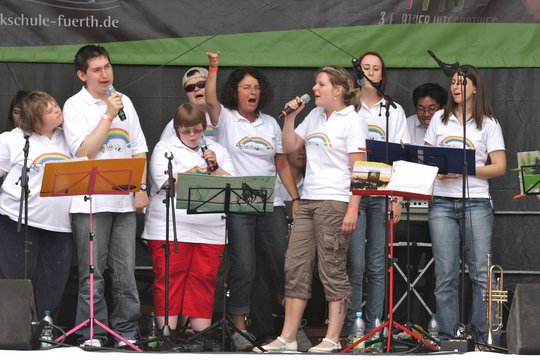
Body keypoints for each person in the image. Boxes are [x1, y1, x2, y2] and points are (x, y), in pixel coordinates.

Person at [260, 65, 368, 353]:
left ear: (338, 90)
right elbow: (290, 145)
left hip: (335, 200)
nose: (314, 89)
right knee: (294, 265)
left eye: (320, 84)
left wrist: (353, 209)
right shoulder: (316, 115)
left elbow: (359, 170)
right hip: (308, 199)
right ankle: (288, 337)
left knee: (331, 268)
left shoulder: (352, 121)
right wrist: (291, 119)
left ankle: (333, 337)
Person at [205, 51, 300, 351]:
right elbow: (209, 101)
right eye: (247, 87)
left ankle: (281, 329)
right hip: (237, 203)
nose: (253, 92)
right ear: (235, 91)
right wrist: (213, 67)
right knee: (244, 266)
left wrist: (293, 198)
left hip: (269, 202)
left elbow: (282, 164)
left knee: (279, 262)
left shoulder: (271, 123)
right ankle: (240, 327)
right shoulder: (227, 119)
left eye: (257, 88)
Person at [62, 44, 149, 347]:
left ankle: (126, 330)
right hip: (90, 200)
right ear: (82, 75)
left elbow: (138, 148)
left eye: (108, 67)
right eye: (97, 69)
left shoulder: (123, 100)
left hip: (124, 200)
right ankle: (93, 331)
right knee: (92, 272)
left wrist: (141, 189)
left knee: (125, 271)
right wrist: (108, 115)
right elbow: (84, 150)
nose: (104, 74)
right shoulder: (75, 105)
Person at [424, 65, 506, 340]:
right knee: (445, 274)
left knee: (481, 273)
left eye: (461, 83)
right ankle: (448, 337)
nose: (455, 87)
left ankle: (484, 339)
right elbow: (426, 157)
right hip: (442, 202)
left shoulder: (489, 123)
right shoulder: (439, 119)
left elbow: (500, 167)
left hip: (477, 202)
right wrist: (439, 168)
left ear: (474, 87)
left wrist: (465, 169)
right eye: (453, 83)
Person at [142, 103, 233, 333]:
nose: (193, 136)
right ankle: (167, 336)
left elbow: (233, 184)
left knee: (204, 281)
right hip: (171, 226)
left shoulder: (217, 151)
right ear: (176, 129)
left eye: (197, 131)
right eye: (186, 131)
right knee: (170, 279)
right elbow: (165, 181)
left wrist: (215, 168)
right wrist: (196, 175)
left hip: (210, 229)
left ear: (204, 128)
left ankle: (200, 337)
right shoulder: (165, 148)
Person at [345, 51, 411, 338]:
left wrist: (397, 199)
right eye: (366, 67)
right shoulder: (348, 108)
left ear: (383, 75)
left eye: (376, 69)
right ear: (358, 73)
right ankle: (350, 328)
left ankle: (374, 326)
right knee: (355, 264)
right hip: (354, 192)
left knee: (376, 263)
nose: (371, 72)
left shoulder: (393, 110)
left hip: (383, 191)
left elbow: (402, 156)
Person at [0, 91, 72, 322]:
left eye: (55, 104)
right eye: (48, 109)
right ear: (35, 118)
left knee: (54, 280)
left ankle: (46, 329)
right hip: (17, 221)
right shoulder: (12, 139)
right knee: (17, 277)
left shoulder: (68, 137)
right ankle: (16, 330)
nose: (56, 109)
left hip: (60, 225)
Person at [159, 67, 217, 142]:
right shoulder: (177, 123)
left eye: (201, 84)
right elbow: (162, 149)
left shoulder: (225, 116)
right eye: (190, 88)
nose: (196, 89)